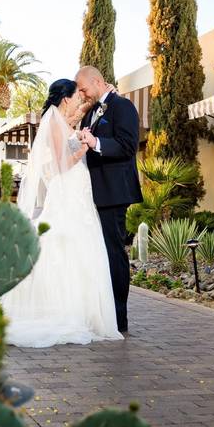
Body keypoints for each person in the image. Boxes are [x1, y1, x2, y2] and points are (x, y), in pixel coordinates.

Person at [0, 78, 123, 347]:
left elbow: (68, 142)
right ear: (65, 98)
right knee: (67, 244)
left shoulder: (57, 120)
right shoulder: (53, 122)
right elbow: (61, 165)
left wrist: (80, 134)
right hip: (68, 188)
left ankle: (80, 310)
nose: (79, 100)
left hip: (76, 190)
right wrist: (84, 148)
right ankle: (62, 309)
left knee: (79, 245)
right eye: (76, 96)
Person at [75, 66, 142, 333]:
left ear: (97, 81)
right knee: (98, 254)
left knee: (114, 253)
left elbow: (128, 146)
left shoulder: (122, 106)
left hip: (114, 193)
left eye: (83, 88)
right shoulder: (91, 112)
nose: (81, 93)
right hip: (93, 192)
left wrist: (96, 144)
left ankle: (118, 317)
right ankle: (101, 312)